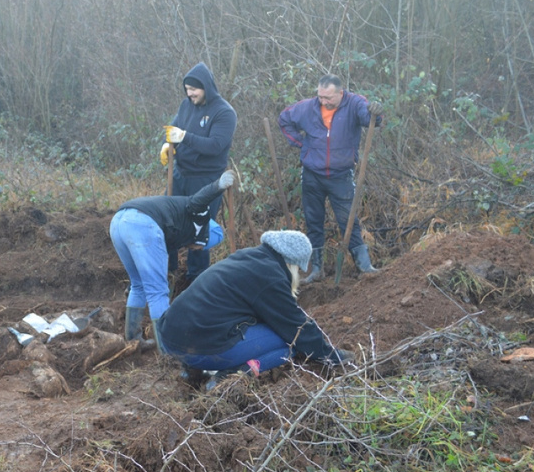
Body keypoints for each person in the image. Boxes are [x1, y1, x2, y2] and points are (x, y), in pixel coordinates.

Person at [156, 230, 354, 387]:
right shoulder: (272, 277)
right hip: (201, 350)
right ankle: (230, 377)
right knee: (291, 343)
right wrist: (333, 357)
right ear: (293, 264)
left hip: (171, 339)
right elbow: (297, 328)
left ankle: (191, 370)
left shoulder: (249, 258)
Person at [278, 74, 383, 284]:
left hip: (341, 176)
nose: (323, 101)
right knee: (314, 222)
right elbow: (284, 119)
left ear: (340, 93)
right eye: (320, 97)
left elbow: (370, 119)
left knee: (348, 220)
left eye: (328, 98)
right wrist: (302, 144)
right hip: (312, 176)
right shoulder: (307, 107)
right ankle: (316, 269)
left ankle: (364, 266)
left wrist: (375, 113)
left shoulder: (354, 104)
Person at [110, 171, 234, 345]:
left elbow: (162, 251)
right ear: (205, 237)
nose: (197, 249)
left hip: (119, 222)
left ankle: (133, 341)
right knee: (158, 292)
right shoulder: (199, 217)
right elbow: (199, 199)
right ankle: (167, 350)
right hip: (143, 224)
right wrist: (219, 185)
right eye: (203, 246)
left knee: (138, 285)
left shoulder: (178, 223)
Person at [161, 62, 237, 283]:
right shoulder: (186, 106)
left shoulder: (224, 112)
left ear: (206, 87)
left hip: (206, 179)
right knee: (169, 222)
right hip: (180, 174)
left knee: (199, 229)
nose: (190, 94)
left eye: (194, 89)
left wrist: (184, 137)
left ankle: (196, 278)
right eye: (187, 89)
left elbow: (215, 145)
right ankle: (170, 271)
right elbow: (173, 130)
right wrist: (167, 144)